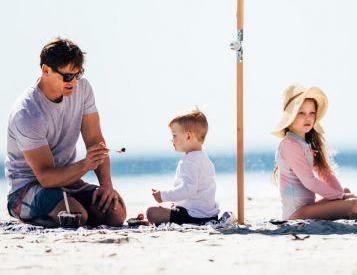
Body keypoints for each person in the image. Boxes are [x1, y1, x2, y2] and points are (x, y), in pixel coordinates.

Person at [5, 38, 126, 227]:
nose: (74, 82)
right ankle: (33, 218)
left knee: (115, 213)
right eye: (68, 76)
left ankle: (68, 209)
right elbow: (46, 177)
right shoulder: (27, 112)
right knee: (75, 216)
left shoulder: (82, 89)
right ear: (46, 71)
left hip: (67, 180)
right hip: (27, 188)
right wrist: (86, 165)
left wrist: (106, 186)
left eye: (78, 75)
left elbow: (95, 140)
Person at [272, 84, 357, 220]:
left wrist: (341, 195)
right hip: (296, 214)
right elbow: (309, 181)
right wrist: (340, 198)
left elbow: (326, 175)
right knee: (352, 204)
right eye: (301, 113)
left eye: (311, 113)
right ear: (290, 117)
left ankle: (349, 207)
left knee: (346, 192)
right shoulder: (289, 144)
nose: (308, 118)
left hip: (306, 209)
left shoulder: (305, 144)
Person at [147, 108, 219, 225]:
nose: (172, 139)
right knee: (166, 208)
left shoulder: (190, 161)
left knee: (151, 212)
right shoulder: (203, 158)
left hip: (195, 216)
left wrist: (163, 195)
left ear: (188, 136)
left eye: (174, 135)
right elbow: (196, 192)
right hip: (208, 213)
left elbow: (188, 189)